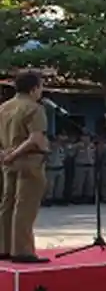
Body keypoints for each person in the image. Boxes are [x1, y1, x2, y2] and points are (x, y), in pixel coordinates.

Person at [0, 71, 51, 262]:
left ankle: (4, 247)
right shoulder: (34, 108)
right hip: (29, 161)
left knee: (7, 204)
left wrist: (6, 155)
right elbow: (35, 138)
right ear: (33, 89)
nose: (41, 91)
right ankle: (23, 251)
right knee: (25, 206)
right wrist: (15, 154)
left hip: (7, 161)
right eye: (41, 87)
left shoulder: (4, 107)